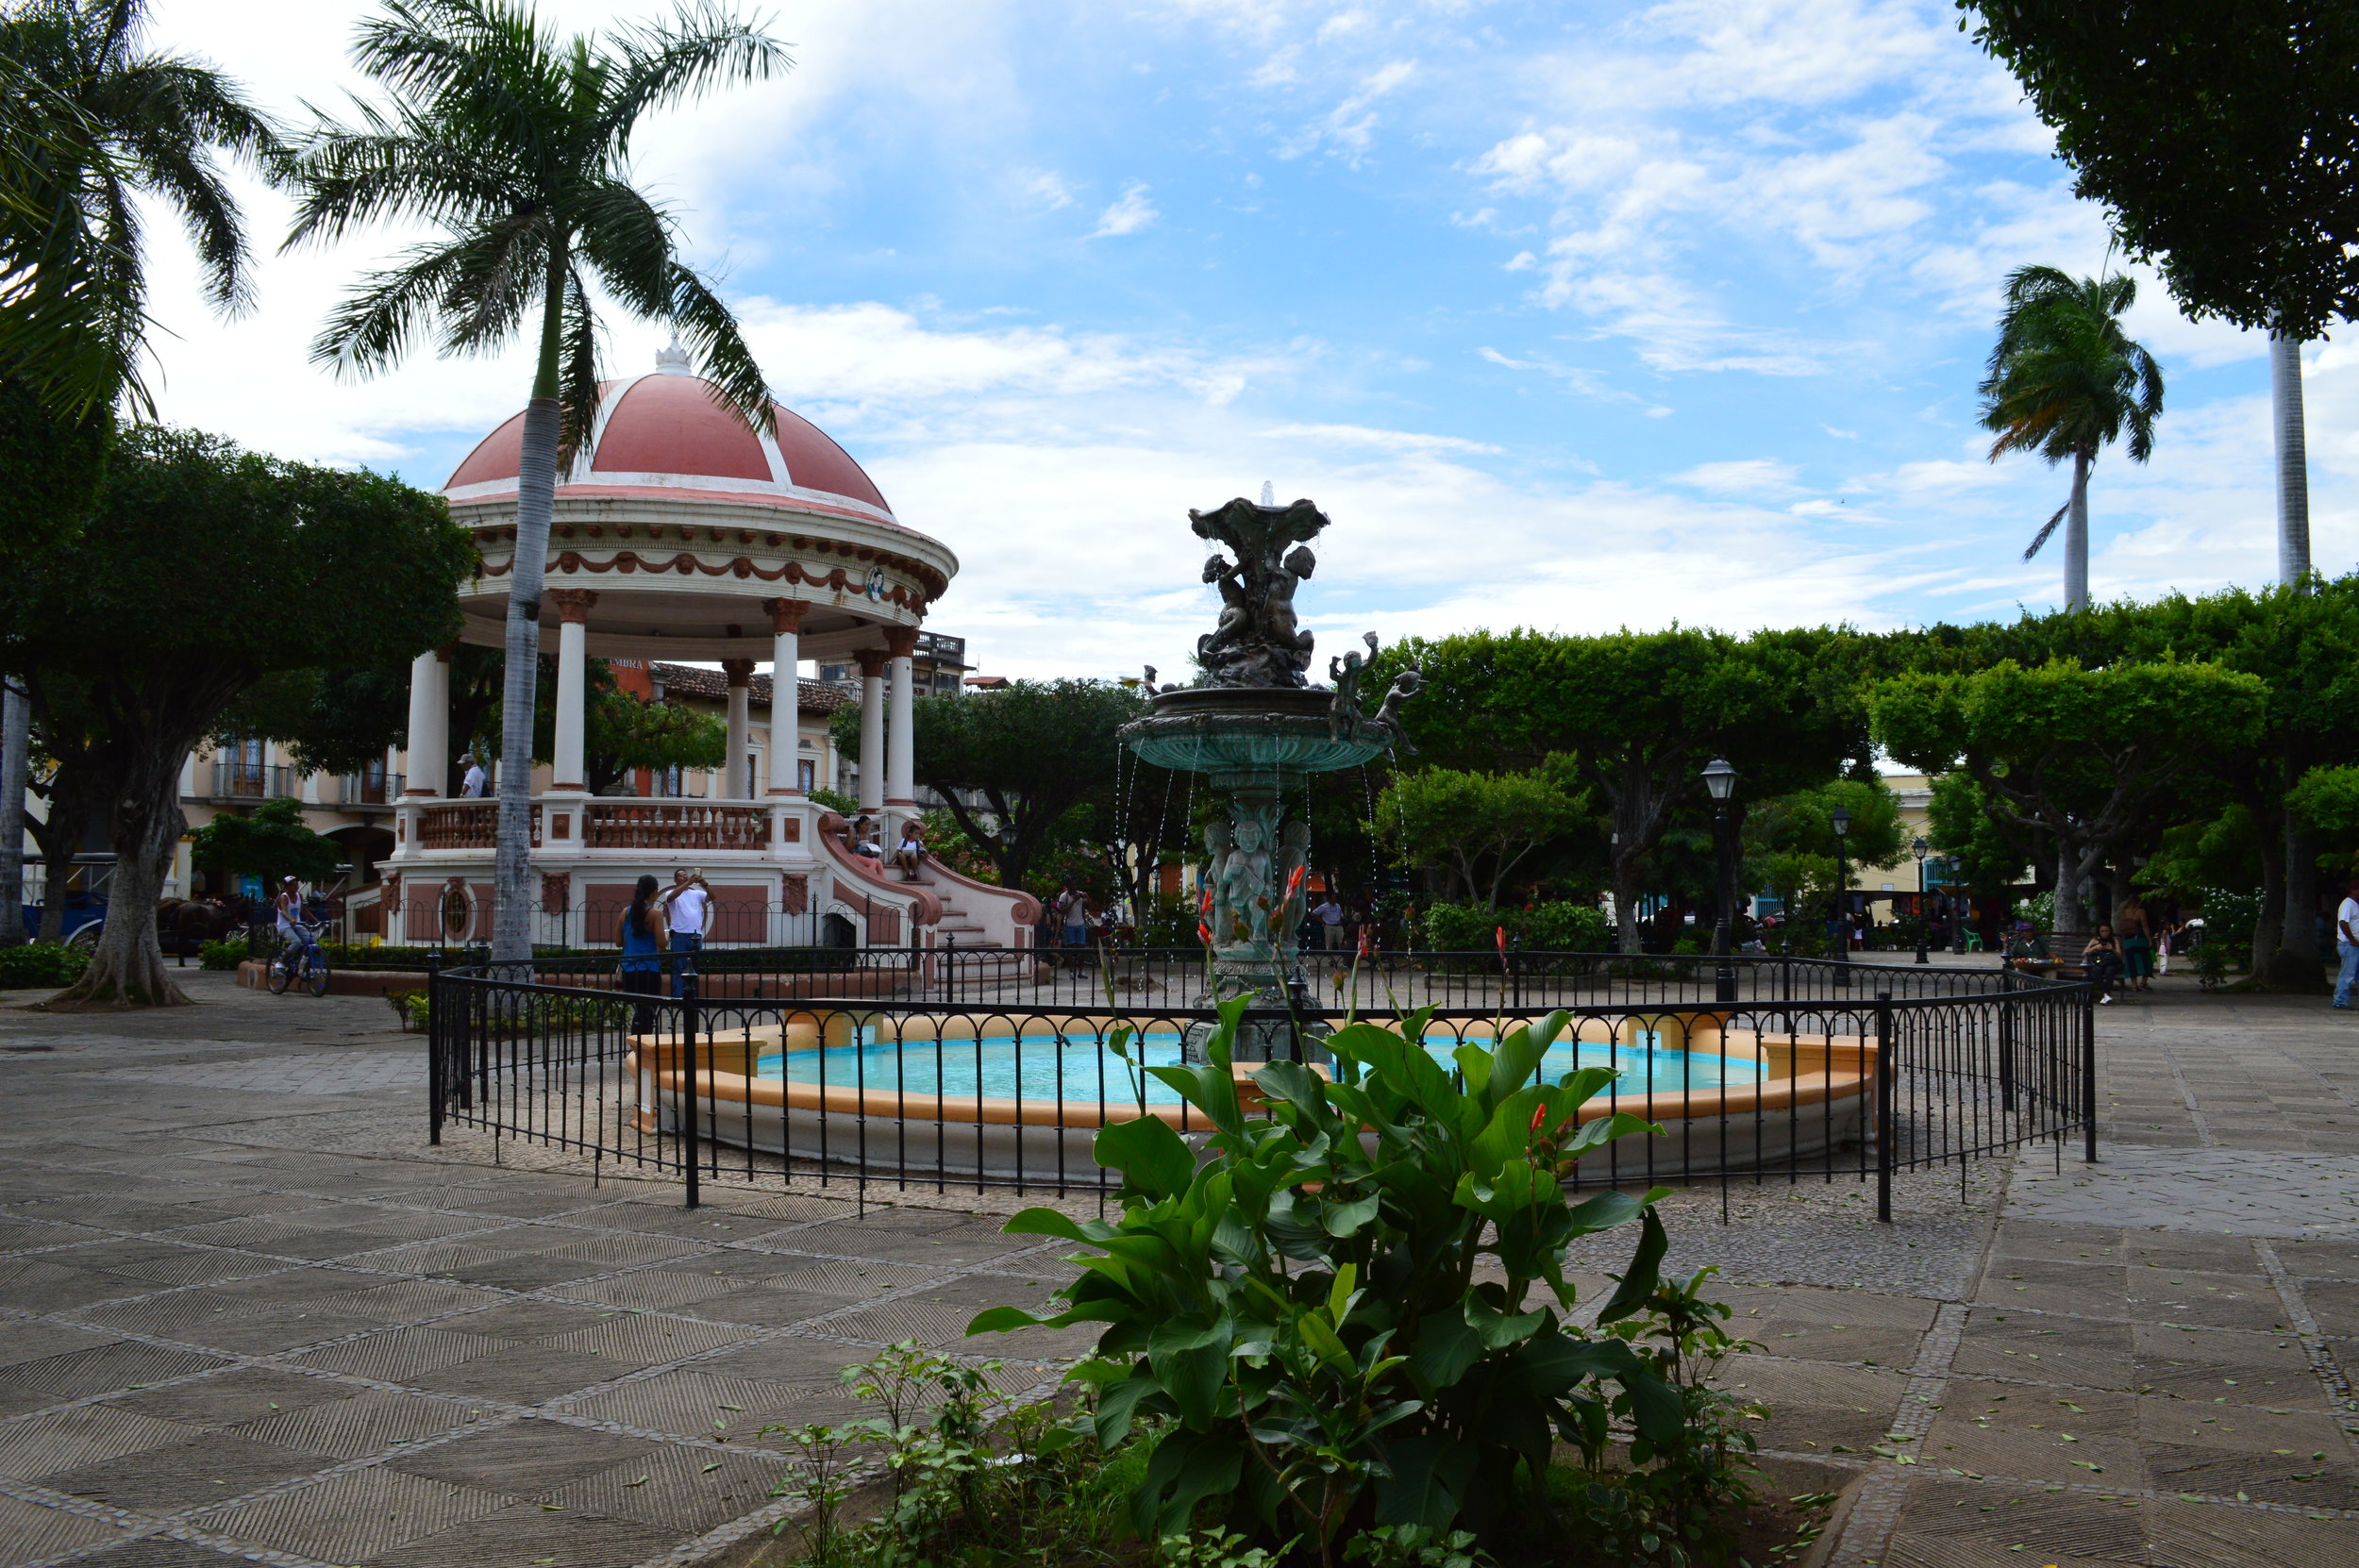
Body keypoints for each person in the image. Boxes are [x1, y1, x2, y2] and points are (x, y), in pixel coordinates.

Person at [617, 874, 669, 1033]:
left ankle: (636, 1045)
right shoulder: (655, 914)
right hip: (648, 969)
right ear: (654, 892)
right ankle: (642, 1048)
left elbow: (619, 942)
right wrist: (667, 935)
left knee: (639, 1011)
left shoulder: (626, 912)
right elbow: (661, 943)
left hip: (629, 969)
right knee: (648, 1012)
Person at [659, 868, 709, 998]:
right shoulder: (671, 892)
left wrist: (704, 884)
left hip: (695, 935)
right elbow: (670, 898)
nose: (685, 877)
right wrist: (688, 883)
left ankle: (693, 996)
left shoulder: (697, 894)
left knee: (695, 968)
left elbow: (712, 897)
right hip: (679, 935)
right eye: (681, 876)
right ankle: (678, 996)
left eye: (686, 875)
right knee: (678, 967)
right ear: (675, 880)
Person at [273, 876, 319, 978]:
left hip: (297, 924)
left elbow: (303, 909)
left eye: (296, 884)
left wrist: (316, 920)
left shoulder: (299, 896)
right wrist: (290, 919)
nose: (296, 887)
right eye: (293, 885)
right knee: (296, 942)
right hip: (284, 926)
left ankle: (303, 970)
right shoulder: (284, 897)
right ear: (286, 887)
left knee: (311, 944)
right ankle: (281, 963)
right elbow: (284, 911)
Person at [2116, 895, 2154, 993]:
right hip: (2140, 940)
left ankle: (2134, 985)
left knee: (2131, 962)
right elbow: (2145, 926)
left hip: (2128, 941)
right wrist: (2149, 940)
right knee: (2147, 960)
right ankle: (2144, 981)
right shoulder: (2140, 911)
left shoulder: (2123, 912)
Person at [2082, 923, 2124, 1004]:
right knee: (2096, 970)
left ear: (2110, 931)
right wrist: (2095, 947)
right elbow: (2084, 954)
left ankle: (2106, 995)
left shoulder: (2114, 941)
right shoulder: (2094, 940)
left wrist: (2112, 949)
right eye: (2102, 931)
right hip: (2098, 963)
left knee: (2110, 970)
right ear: (2099, 932)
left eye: (2107, 931)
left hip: (2111, 963)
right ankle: (2106, 995)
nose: (2105, 933)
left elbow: (2120, 957)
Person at [2335, 877, 2359, 1009]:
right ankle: (2340, 1001)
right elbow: (2343, 923)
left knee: (2356, 974)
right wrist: (2352, 940)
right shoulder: (2348, 904)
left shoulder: (2356, 904)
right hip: (2349, 945)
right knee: (2347, 974)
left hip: (2355, 945)